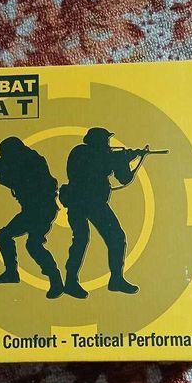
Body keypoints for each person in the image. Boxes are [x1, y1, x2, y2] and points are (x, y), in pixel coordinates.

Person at [59, 127, 139, 299]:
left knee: (89, 239)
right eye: (105, 140)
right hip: (87, 202)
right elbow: (122, 177)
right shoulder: (91, 154)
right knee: (104, 238)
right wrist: (124, 160)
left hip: (84, 202)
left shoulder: (82, 152)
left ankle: (78, 281)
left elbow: (121, 176)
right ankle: (77, 282)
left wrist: (123, 160)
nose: (108, 144)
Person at [0, 137, 63, 299]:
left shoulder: (31, 161)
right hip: (33, 210)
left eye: (5, 154)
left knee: (33, 244)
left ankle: (55, 279)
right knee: (5, 236)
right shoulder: (26, 159)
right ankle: (11, 273)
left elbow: (17, 179)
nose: (4, 157)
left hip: (41, 210)